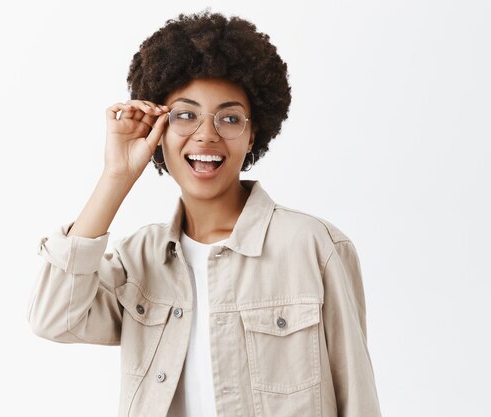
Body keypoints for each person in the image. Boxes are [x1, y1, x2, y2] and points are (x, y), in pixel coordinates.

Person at [27, 10, 382, 417]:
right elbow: (53, 317)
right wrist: (116, 176)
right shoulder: (139, 259)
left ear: (253, 135)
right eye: (185, 114)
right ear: (157, 131)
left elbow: (358, 399)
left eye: (229, 118)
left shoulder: (315, 247)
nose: (207, 134)